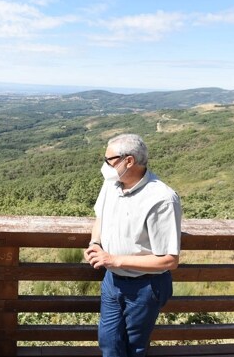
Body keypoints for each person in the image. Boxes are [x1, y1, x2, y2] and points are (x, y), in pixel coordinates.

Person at [83, 134, 182, 357]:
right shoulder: (112, 185)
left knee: (134, 347)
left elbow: (169, 260)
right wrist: (95, 243)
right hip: (113, 281)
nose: (105, 164)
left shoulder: (162, 199)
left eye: (109, 159)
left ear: (129, 161)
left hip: (146, 286)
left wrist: (114, 259)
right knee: (108, 342)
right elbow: (101, 217)